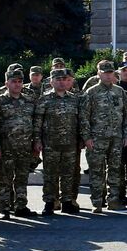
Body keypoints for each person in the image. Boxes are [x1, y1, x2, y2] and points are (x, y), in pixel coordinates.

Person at [82, 61, 127, 213]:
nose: (108, 75)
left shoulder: (120, 91)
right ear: (98, 74)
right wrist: (87, 137)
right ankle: (97, 201)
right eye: (105, 72)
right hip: (97, 138)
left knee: (115, 169)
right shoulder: (91, 92)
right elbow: (84, 117)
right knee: (97, 170)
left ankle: (113, 200)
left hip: (116, 137)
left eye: (110, 72)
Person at [0, 68, 40, 217]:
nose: (17, 85)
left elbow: (35, 124)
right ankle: (4, 207)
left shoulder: (29, 101)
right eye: (14, 82)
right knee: (4, 179)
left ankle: (21, 206)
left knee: (22, 178)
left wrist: (36, 142)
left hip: (25, 146)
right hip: (6, 147)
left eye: (20, 82)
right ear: (7, 83)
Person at [38, 69, 85, 215]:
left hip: (70, 143)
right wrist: (37, 140)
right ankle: (49, 202)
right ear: (51, 81)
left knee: (69, 174)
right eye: (58, 79)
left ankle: (67, 202)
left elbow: (81, 122)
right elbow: (37, 123)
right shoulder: (44, 99)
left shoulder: (74, 99)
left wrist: (82, 138)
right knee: (50, 175)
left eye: (64, 79)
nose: (62, 82)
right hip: (50, 143)